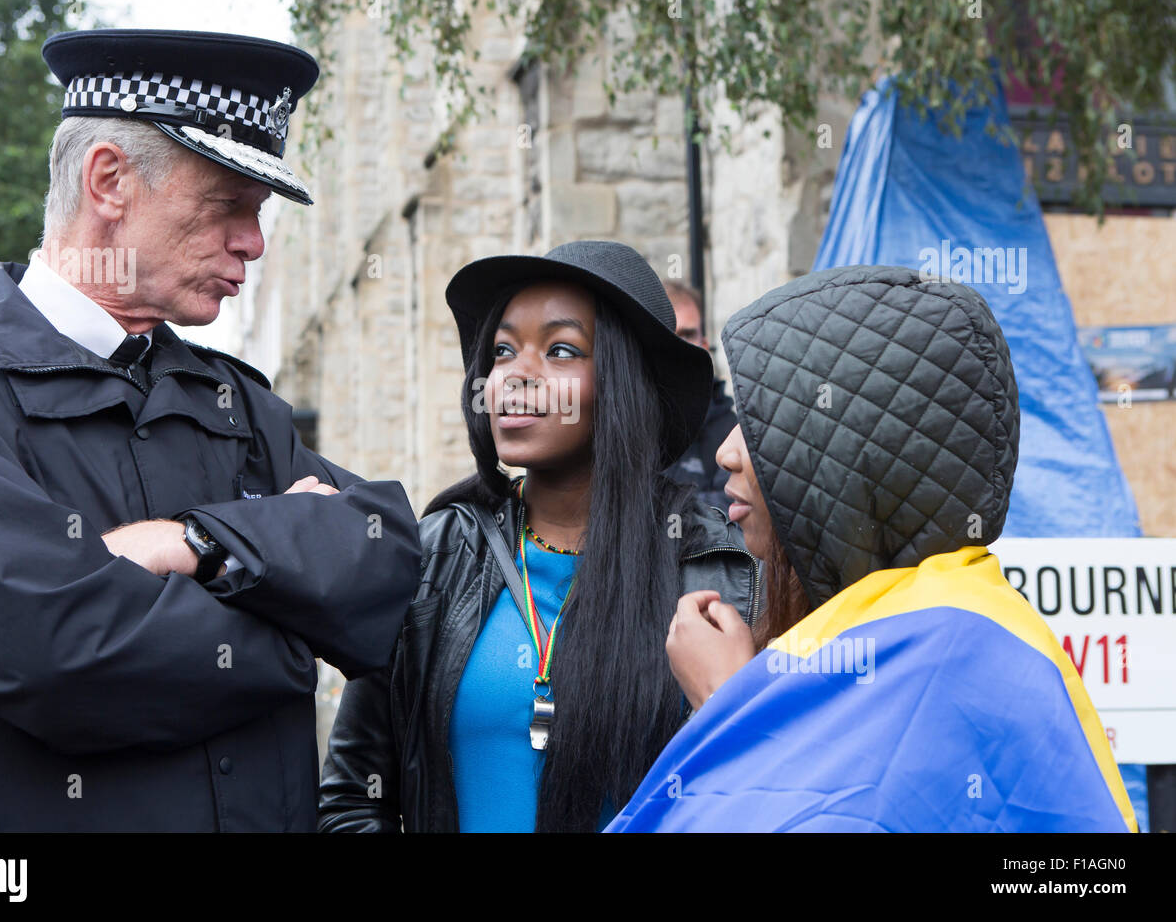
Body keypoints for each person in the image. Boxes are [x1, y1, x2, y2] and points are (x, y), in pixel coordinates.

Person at [0, 29, 421, 831]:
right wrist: (295, 630)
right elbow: (58, 656)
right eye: (226, 205)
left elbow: (386, 553)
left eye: (259, 212)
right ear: (108, 181)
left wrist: (194, 542)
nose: (255, 242)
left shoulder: (233, 400)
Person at [608, 265, 1137, 832]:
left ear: (853, 461)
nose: (727, 452)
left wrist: (729, 708)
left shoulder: (952, 653)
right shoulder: (904, 623)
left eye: (766, 425)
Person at [317, 240, 761, 832]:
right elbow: (351, 801)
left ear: (622, 383)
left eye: (559, 350)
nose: (513, 377)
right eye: (502, 351)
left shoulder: (720, 570)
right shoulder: (432, 558)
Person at [662, 279, 734, 511]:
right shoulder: (622, 422)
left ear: (703, 345)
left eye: (686, 335)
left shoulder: (730, 431)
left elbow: (733, 511)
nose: (678, 347)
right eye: (667, 335)